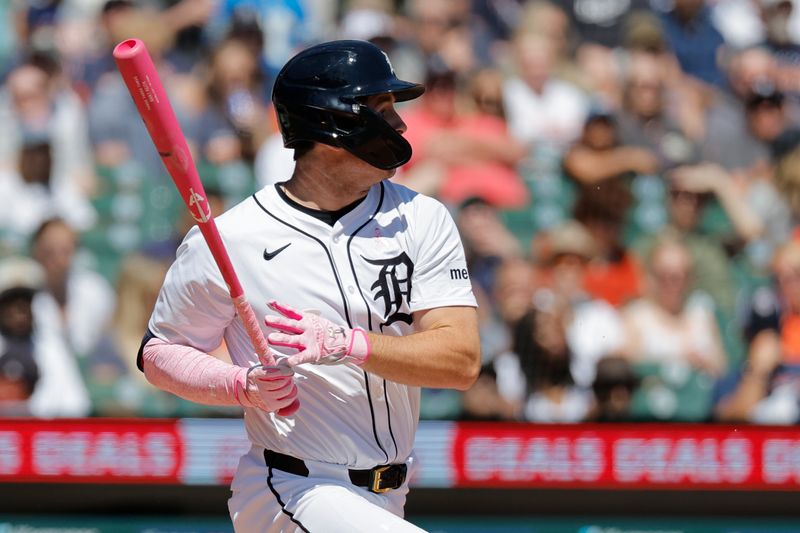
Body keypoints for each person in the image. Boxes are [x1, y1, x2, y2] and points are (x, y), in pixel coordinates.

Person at [138, 40, 480, 532]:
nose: (400, 124)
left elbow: (461, 361)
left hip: (390, 493)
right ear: (332, 122)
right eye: (381, 108)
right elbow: (159, 353)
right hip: (291, 486)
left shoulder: (422, 218)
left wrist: (349, 344)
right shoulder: (233, 236)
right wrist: (240, 385)